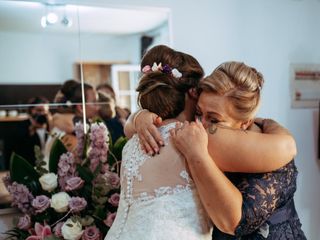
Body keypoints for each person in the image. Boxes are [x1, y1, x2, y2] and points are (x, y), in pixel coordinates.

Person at [170, 61, 306, 239]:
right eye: (198, 113)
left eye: (214, 120)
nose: (200, 125)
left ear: (245, 123)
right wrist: (140, 118)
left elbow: (233, 223)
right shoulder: (207, 138)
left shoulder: (270, 154)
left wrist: (197, 154)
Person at [105, 45, 212, 240]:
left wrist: (137, 117)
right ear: (193, 92)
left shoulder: (132, 144)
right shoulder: (197, 139)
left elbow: (128, 127)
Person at [45, 80, 98, 158]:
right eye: (94, 102)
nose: (98, 107)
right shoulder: (70, 131)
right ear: (80, 107)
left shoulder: (62, 120)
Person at [14, 96, 51, 165]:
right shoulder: (22, 125)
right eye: (39, 110)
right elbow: (19, 149)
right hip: (30, 164)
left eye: (45, 111)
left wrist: (50, 124)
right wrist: (31, 131)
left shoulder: (50, 125)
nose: (41, 113)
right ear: (31, 110)